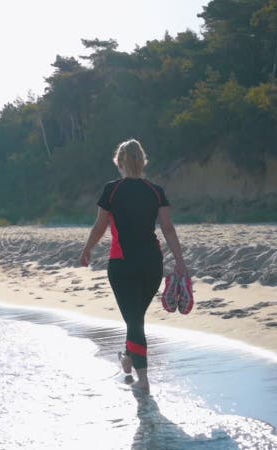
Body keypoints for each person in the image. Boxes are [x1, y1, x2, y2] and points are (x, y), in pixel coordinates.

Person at [80, 138, 187, 394]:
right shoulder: (155, 190)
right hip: (152, 265)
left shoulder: (112, 190)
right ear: (143, 161)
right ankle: (129, 358)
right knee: (135, 319)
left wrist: (88, 249)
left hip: (122, 264)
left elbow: (100, 226)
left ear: (119, 163)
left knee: (135, 320)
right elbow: (168, 228)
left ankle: (144, 381)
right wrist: (180, 262)